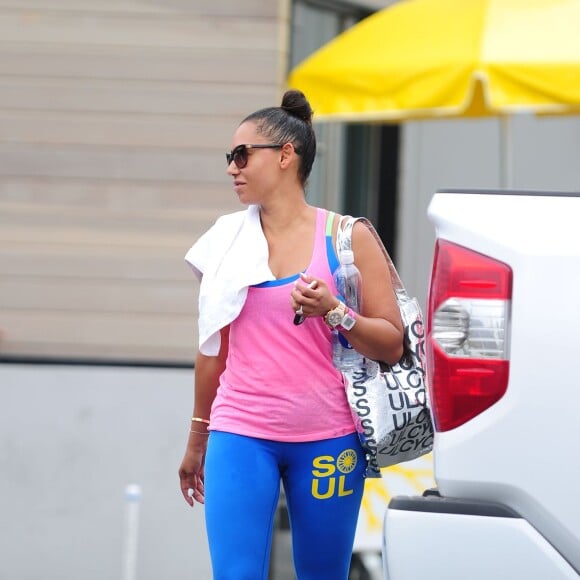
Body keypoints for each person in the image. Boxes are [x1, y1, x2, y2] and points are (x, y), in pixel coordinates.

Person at [178, 89, 404, 580]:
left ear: (285, 156)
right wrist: (198, 439)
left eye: (242, 155)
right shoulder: (224, 240)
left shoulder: (348, 238)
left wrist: (336, 311)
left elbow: (391, 342)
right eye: (229, 157)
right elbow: (212, 349)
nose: (232, 168)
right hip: (240, 433)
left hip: (328, 439)